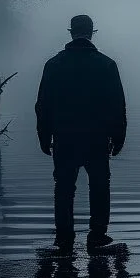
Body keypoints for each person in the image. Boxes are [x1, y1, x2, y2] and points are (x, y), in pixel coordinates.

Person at [35, 14, 127, 252]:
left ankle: (64, 240)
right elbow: (117, 105)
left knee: (64, 187)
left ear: (71, 32)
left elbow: (43, 105)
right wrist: (118, 137)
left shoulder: (54, 65)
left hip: (64, 138)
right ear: (92, 32)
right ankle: (97, 236)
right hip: (96, 138)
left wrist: (44, 136)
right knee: (99, 185)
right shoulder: (106, 65)